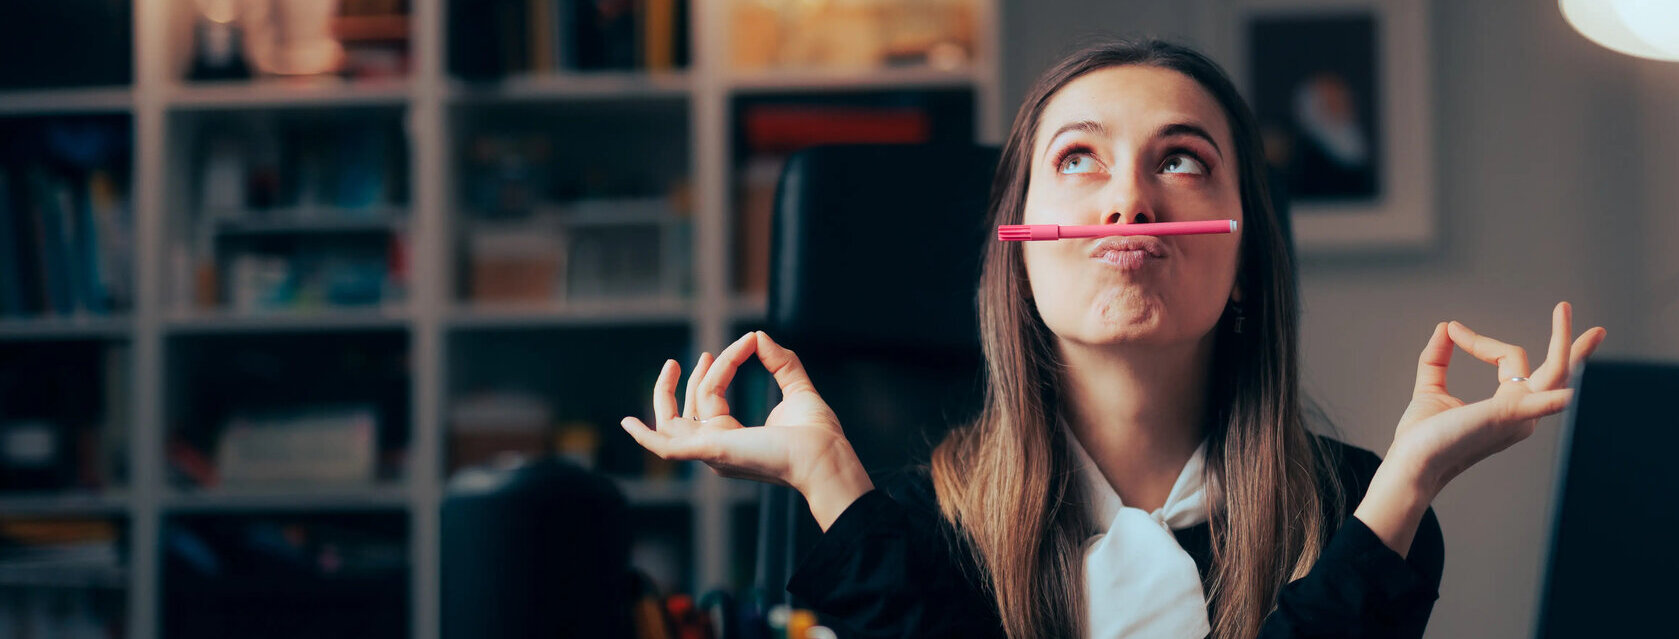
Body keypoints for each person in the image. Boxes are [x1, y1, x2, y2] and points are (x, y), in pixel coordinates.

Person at [620, 39, 1606, 639]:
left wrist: (1407, 483)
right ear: (1016, 251)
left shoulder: (1364, 515)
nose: (1129, 201)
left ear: (1245, 256)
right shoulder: (913, 533)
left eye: (1180, 161)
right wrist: (830, 475)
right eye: (1079, 159)